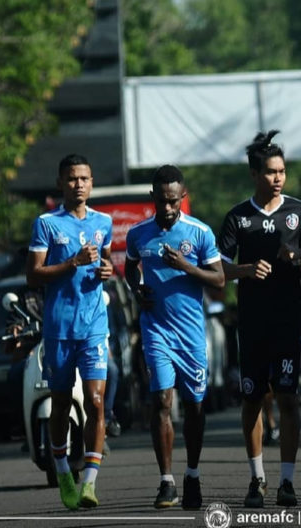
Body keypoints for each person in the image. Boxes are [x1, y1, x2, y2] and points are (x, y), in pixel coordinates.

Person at [218, 131, 301, 508]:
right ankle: (257, 479)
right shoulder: (237, 217)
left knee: (288, 398)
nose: (278, 178)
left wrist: (300, 259)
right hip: (253, 323)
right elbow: (218, 267)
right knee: (253, 399)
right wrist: (244, 270)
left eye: (282, 172)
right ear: (255, 174)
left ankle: (287, 481)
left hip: (289, 320)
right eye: (271, 172)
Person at [125, 165, 224, 510]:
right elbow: (129, 267)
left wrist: (187, 267)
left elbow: (219, 279)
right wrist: (138, 291)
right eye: (162, 202)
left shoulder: (199, 233)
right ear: (153, 197)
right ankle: (166, 481)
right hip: (156, 330)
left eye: (174, 202)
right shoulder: (138, 234)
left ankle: (192, 474)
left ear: (183, 198)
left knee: (195, 406)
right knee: (162, 401)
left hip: (191, 335)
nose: (168, 209)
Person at [26, 154, 114, 509]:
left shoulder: (104, 221)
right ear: (61, 182)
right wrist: (70, 263)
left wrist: (107, 269)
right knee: (61, 402)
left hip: (94, 326)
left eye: (85, 178)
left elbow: (107, 261)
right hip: (59, 328)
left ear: (92, 182)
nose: (79, 185)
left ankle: (90, 481)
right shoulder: (47, 223)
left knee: (95, 401)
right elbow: (33, 275)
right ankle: (63, 470)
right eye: (72, 179)